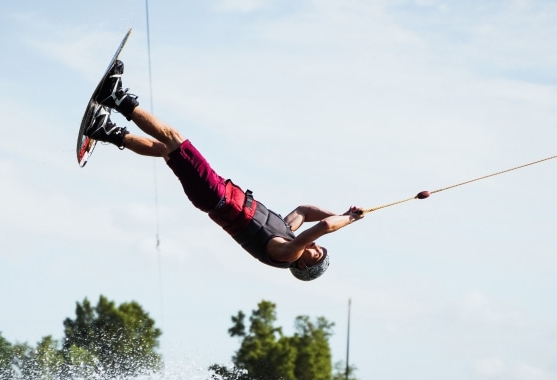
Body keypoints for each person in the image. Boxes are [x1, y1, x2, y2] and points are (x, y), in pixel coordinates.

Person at [83, 61, 364, 281]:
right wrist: (340, 212)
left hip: (214, 195)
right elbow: (304, 211)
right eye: (320, 250)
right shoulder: (287, 234)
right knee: (165, 149)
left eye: (315, 255)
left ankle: (116, 97)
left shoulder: (286, 254)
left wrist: (349, 219)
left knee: (173, 139)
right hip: (215, 190)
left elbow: (323, 228)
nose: (316, 249)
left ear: (303, 265)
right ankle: (105, 131)